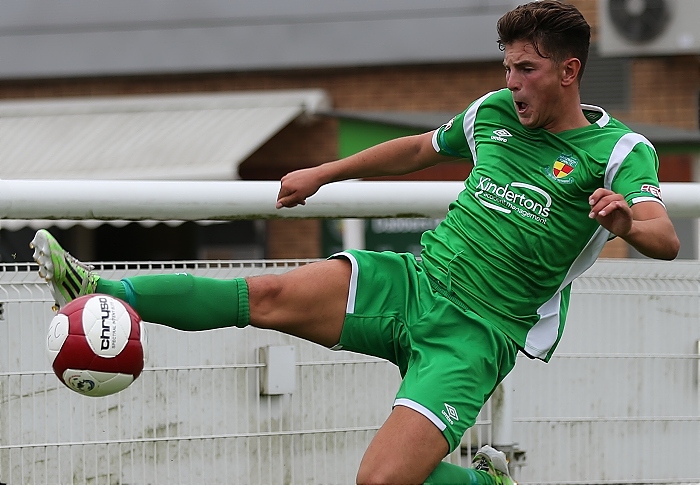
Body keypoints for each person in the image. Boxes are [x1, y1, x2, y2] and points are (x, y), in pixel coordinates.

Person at [31, 1, 680, 483]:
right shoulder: (492, 114)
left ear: (569, 71)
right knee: (265, 291)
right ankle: (97, 286)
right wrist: (323, 172)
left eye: (527, 69)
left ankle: (487, 480)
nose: (512, 82)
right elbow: (418, 148)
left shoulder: (618, 150)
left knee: (378, 480)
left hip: (477, 333)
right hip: (413, 280)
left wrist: (625, 223)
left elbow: (665, 235)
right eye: (507, 66)